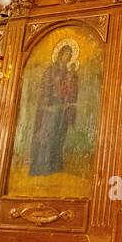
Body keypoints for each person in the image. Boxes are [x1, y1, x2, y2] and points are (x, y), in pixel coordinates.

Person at [29, 43, 78, 176]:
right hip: (50, 107)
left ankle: (55, 166)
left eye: (69, 55)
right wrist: (47, 102)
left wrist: (71, 82)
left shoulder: (69, 73)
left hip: (62, 108)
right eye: (65, 54)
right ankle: (42, 167)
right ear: (60, 54)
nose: (67, 57)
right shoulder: (50, 70)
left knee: (59, 136)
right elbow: (44, 87)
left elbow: (71, 91)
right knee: (47, 135)